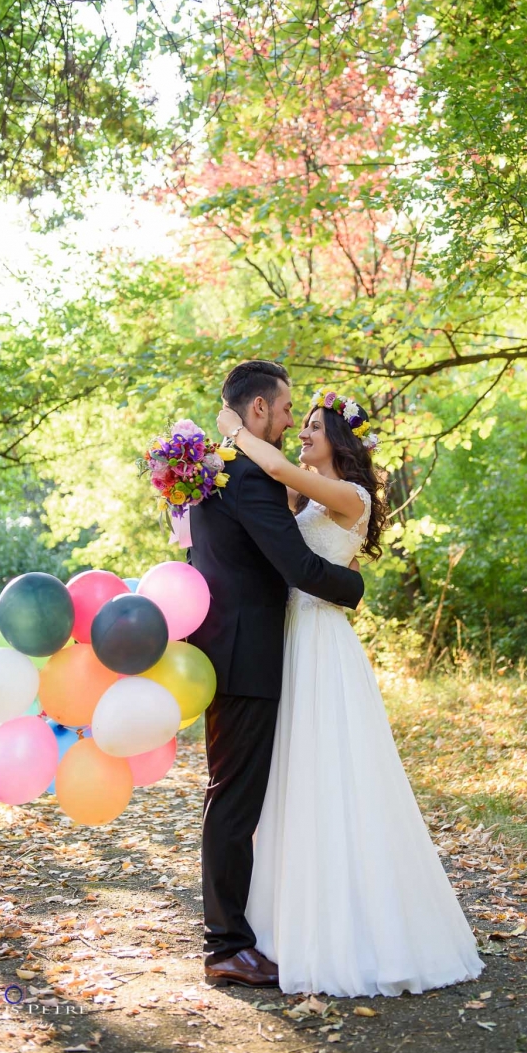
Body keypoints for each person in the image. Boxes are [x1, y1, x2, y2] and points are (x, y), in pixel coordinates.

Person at [215, 387, 484, 998]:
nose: (301, 433)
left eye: (311, 427)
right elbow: (270, 503)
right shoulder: (304, 490)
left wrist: (236, 430)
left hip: (322, 641)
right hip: (290, 638)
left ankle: (359, 931)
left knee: (337, 773)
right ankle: (292, 925)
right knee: (297, 777)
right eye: (298, 422)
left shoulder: (349, 495)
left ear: (339, 441)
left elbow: (277, 466)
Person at [188, 361, 365, 989]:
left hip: (230, 650)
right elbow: (297, 566)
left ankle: (243, 934)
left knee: (238, 796)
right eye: (288, 409)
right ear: (259, 409)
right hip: (247, 655)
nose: (293, 421)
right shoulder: (249, 476)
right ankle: (226, 946)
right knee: (234, 802)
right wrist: (356, 586)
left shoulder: (212, 470)